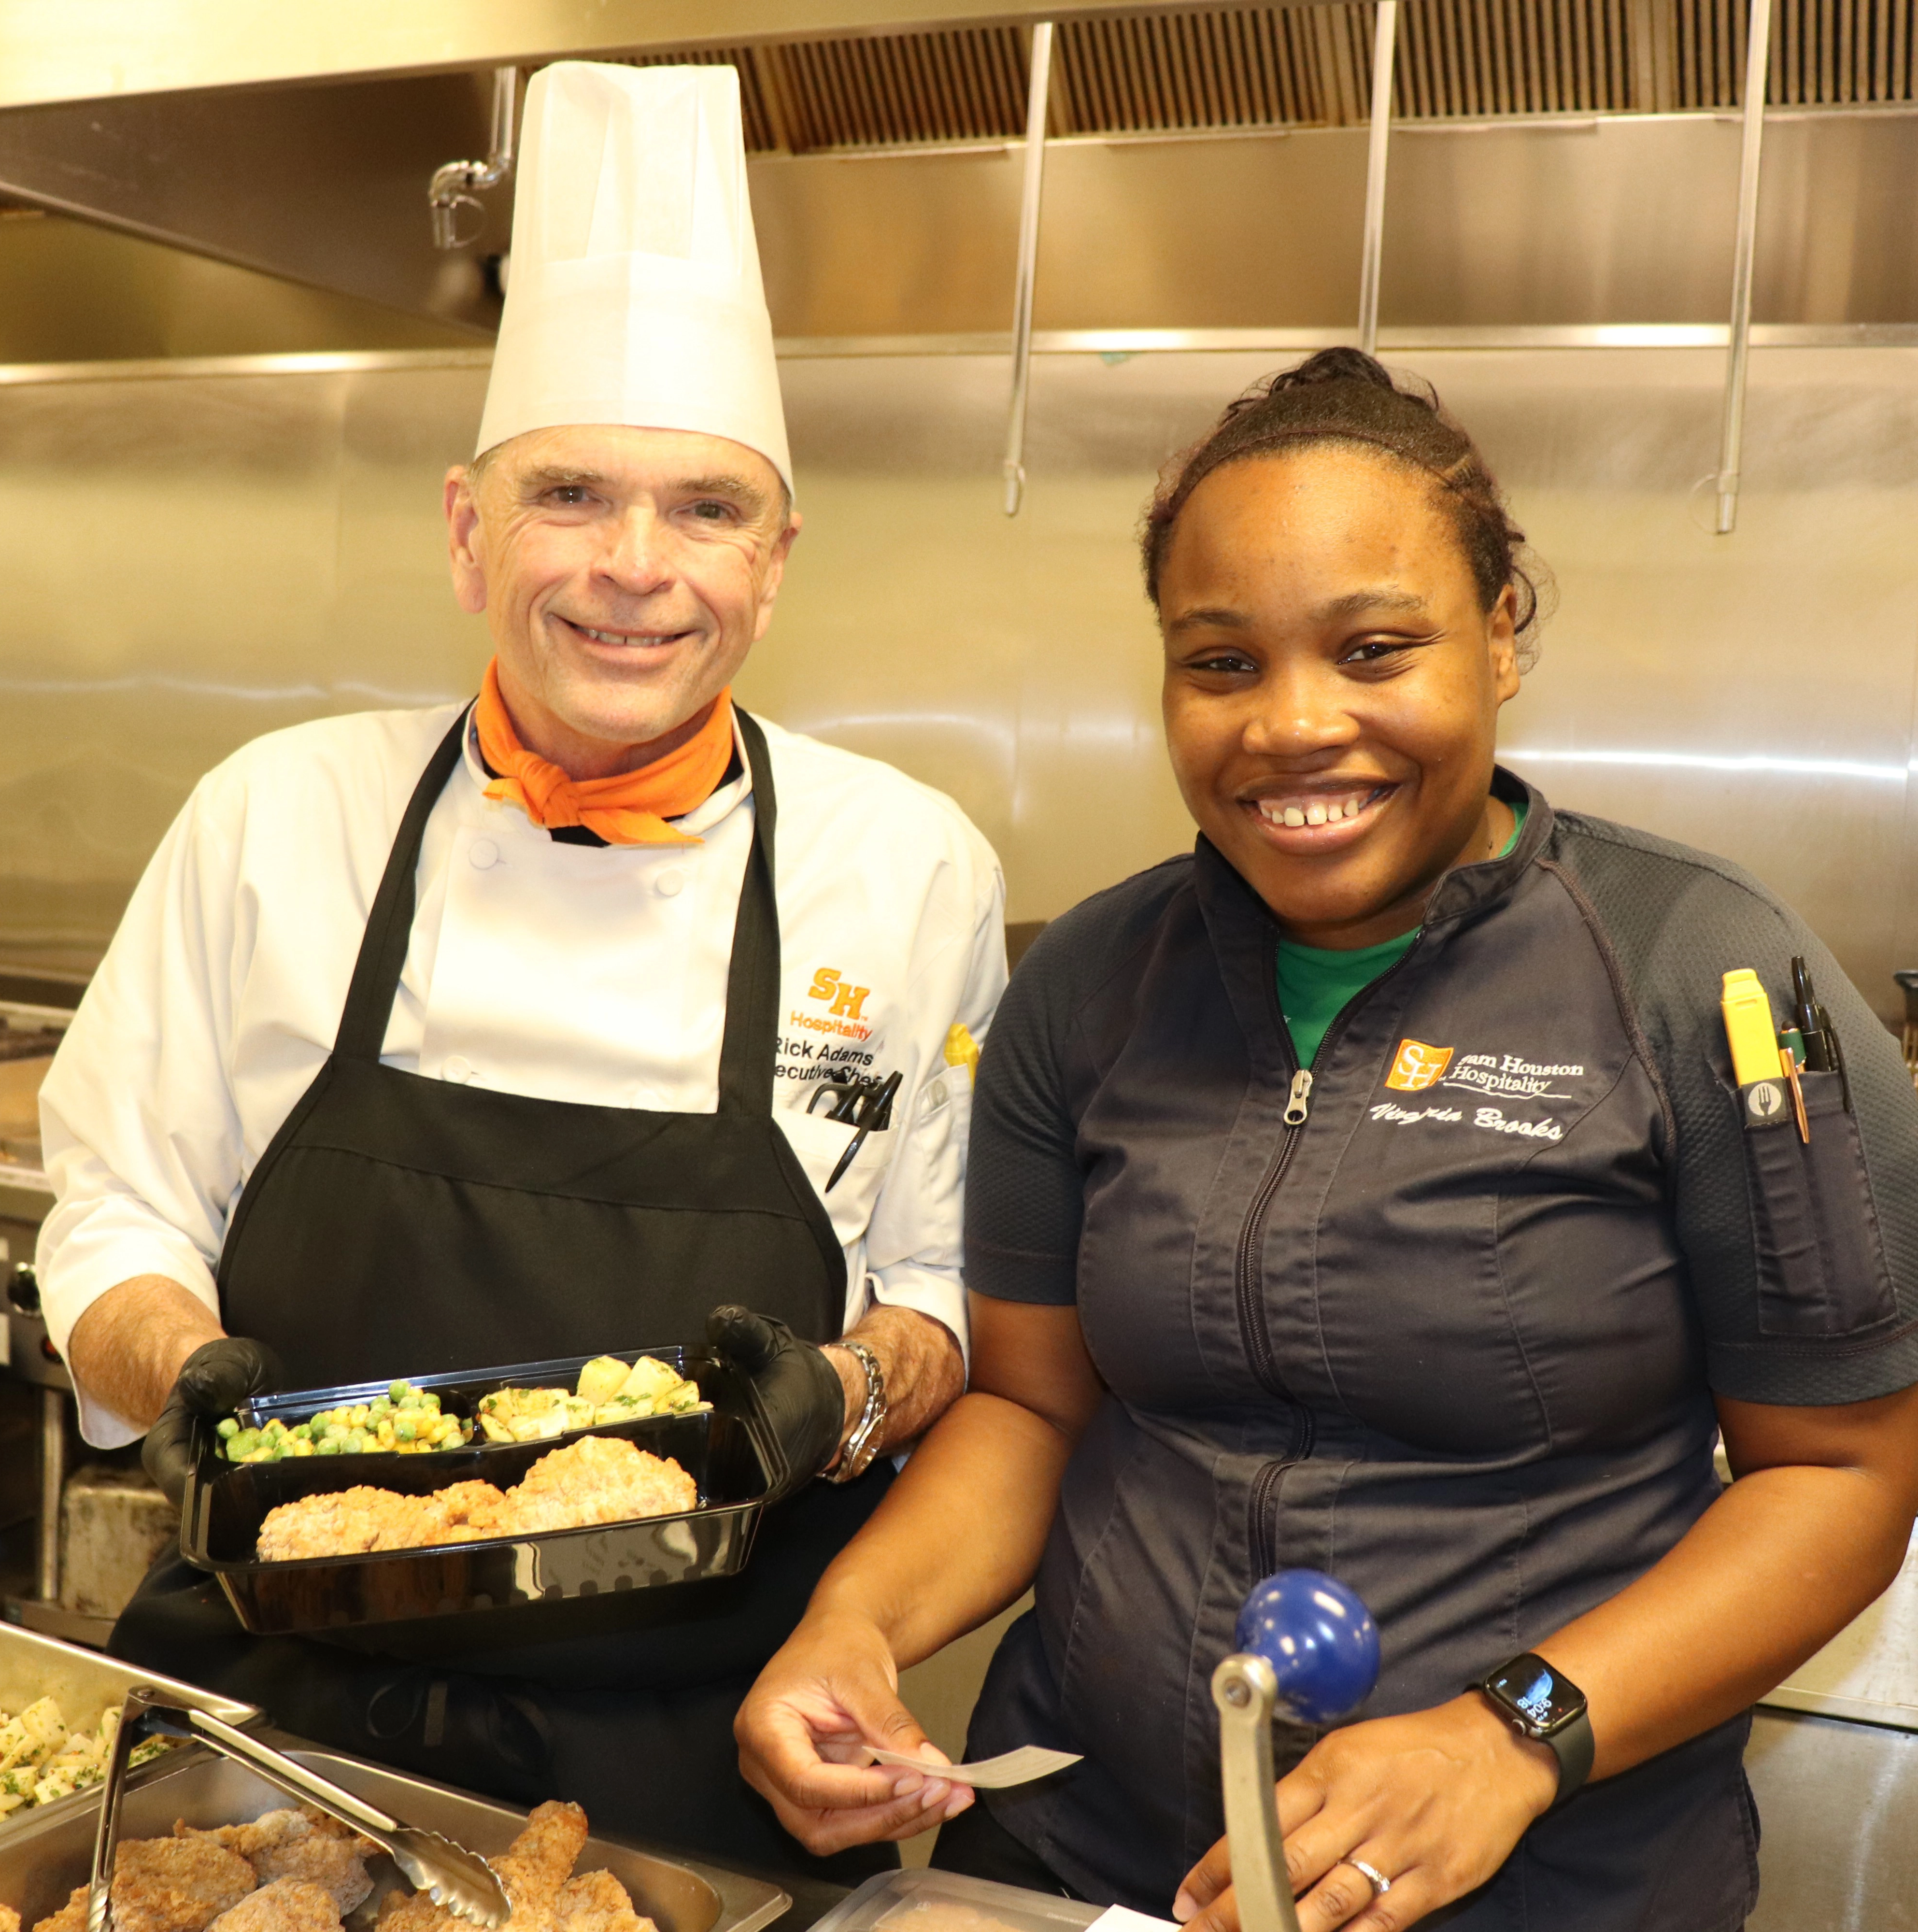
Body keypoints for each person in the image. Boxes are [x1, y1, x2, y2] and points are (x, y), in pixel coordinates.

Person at [733, 349, 1918, 1929]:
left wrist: (1512, 1738)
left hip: (1544, 1883)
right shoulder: (1090, 982)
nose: (1295, 726)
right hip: (1088, 1854)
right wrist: (856, 1626)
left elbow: (1839, 1475)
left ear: (1502, 634)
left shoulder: (1709, 980)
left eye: (1373, 649)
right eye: (1220, 664)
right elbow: (1028, 1408)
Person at [34, 62, 1002, 1877]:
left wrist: (850, 1392)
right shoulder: (276, 816)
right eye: (572, 494)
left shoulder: (910, 865)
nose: (637, 570)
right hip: (262, 1736)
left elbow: (952, 1290)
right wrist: (190, 1382)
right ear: (470, 529)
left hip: (699, 1761)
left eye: (706, 510)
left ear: (778, 564)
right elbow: (111, 1216)